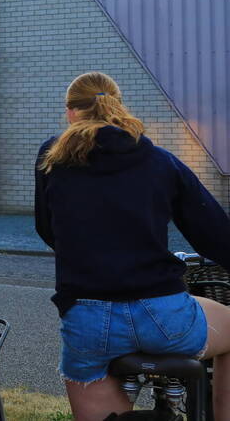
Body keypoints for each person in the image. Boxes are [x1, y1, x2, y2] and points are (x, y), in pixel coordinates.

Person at [34, 72, 230, 421]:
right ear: (117, 107)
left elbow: (48, 229)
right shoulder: (160, 162)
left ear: (71, 112)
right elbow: (215, 235)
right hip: (165, 315)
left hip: (87, 320)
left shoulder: (52, 159)